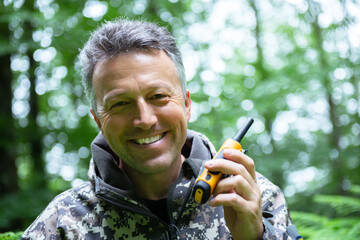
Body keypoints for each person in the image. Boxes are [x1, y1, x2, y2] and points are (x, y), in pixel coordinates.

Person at [22, 19, 301, 240]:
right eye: (120, 103)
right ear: (98, 121)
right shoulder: (63, 224)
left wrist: (257, 238)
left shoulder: (253, 196)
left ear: (187, 105)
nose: (144, 119)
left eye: (158, 97)